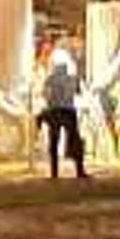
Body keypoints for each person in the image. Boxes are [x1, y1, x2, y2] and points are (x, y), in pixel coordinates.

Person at [39, 36, 89, 179]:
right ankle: (79, 170)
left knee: (54, 142)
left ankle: (54, 172)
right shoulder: (71, 78)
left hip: (55, 110)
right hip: (68, 110)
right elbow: (77, 92)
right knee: (75, 140)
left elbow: (44, 94)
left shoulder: (50, 78)